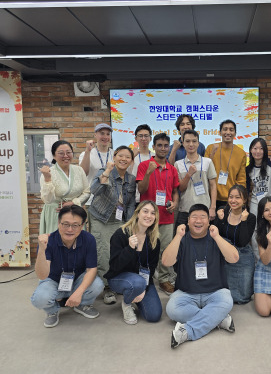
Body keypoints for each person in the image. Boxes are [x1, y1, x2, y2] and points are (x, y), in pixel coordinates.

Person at [162, 204, 239, 349]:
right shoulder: (182, 240)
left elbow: (234, 258)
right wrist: (178, 236)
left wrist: (216, 237)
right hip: (186, 292)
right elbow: (166, 262)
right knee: (172, 308)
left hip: (215, 292)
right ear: (188, 221)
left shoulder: (216, 238)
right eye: (194, 217)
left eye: (203, 217)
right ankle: (219, 319)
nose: (198, 220)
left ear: (209, 221)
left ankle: (187, 332)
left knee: (226, 300)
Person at [30, 205, 104, 328]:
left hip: (76, 280)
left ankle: (81, 304)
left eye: (75, 225)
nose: (70, 229)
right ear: (59, 223)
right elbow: (42, 275)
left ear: (82, 226)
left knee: (98, 285)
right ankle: (52, 310)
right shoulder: (48, 241)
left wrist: (79, 293)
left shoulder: (89, 239)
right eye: (65, 224)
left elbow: (92, 269)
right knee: (40, 299)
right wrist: (41, 251)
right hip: (53, 280)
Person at [89, 145, 136, 305]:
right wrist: (107, 172)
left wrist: (129, 224)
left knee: (119, 252)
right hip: (101, 217)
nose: (123, 159)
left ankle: (116, 282)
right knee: (103, 252)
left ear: (131, 161)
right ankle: (106, 287)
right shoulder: (104, 171)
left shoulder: (131, 179)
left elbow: (129, 204)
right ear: (114, 157)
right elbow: (94, 190)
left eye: (127, 157)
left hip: (119, 219)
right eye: (120, 156)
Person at [105, 201, 162, 325]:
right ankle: (127, 303)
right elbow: (115, 266)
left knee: (154, 315)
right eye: (145, 211)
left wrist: (144, 288)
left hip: (142, 280)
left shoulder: (154, 240)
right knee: (137, 282)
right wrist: (130, 249)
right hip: (118, 278)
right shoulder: (121, 234)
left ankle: (135, 293)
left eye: (153, 213)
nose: (149, 216)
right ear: (137, 214)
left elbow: (151, 268)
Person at [137, 133, 180, 295]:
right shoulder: (145, 165)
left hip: (167, 216)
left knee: (166, 249)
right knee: (146, 248)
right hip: (147, 217)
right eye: (159, 145)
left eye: (165, 145)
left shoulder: (172, 169)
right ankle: (144, 279)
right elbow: (141, 189)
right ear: (153, 147)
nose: (163, 148)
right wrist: (148, 172)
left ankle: (163, 279)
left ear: (169, 148)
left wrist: (174, 203)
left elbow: (175, 191)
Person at [215, 185, 256, 304]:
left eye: (237, 197)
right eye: (231, 197)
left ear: (244, 200)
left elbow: (243, 242)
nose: (233, 200)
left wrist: (243, 221)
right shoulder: (223, 211)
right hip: (224, 255)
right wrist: (220, 220)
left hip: (242, 256)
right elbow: (216, 236)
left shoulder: (250, 217)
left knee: (242, 297)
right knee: (224, 293)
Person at [39, 140, 90, 234]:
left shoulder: (79, 170)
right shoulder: (48, 173)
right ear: (54, 156)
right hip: (55, 214)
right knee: (56, 244)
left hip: (75, 213)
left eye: (69, 152)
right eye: (61, 153)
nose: (66, 156)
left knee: (77, 243)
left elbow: (87, 192)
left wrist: (73, 203)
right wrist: (47, 179)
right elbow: (47, 200)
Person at [174, 129, 217, 224]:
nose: (191, 144)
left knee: (205, 238)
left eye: (194, 141)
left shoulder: (207, 162)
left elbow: (213, 186)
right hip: (185, 210)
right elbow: (180, 188)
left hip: (205, 210)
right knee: (182, 237)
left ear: (198, 143)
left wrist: (212, 207)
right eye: (187, 141)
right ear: (183, 143)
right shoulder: (178, 164)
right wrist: (188, 175)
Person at [204, 119, 247, 209]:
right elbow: (204, 172)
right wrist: (212, 154)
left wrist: (238, 199)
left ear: (235, 133)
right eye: (225, 129)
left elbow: (241, 180)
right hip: (211, 198)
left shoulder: (241, 153)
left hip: (231, 200)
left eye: (231, 130)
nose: (228, 132)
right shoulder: (210, 148)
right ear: (220, 132)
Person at [246, 137, 271, 216]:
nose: (258, 151)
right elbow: (247, 189)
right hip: (256, 202)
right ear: (251, 150)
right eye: (255, 148)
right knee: (256, 226)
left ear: (265, 151)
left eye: (261, 148)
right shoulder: (248, 169)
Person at [79, 123, 115, 206]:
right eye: (102, 133)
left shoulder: (115, 154)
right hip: (91, 201)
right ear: (95, 135)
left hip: (110, 202)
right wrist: (87, 151)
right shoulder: (87, 154)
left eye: (108, 134)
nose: (105, 137)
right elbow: (83, 173)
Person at [131, 124, 155, 203]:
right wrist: (132, 157)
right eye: (140, 136)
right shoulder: (131, 156)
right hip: (135, 198)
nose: (143, 138)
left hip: (151, 197)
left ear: (150, 138)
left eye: (146, 136)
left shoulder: (154, 156)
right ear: (136, 138)